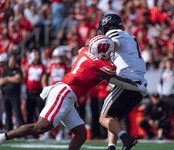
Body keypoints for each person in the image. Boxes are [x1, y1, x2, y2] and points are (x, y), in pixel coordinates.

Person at [0, 35, 143, 149]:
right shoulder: (100, 65)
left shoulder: (85, 51)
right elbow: (116, 79)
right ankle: (2, 137)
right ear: (102, 52)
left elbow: (88, 48)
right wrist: (137, 85)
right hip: (64, 94)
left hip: (67, 93)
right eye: (109, 51)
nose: (111, 54)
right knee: (41, 127)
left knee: (81, 134)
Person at [98, 14, 147, 150]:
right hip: (139, 85)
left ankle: (126, 139)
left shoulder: (115, 33)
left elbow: (111, 44)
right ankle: (111, 147)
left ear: (108, 26)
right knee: (112, 118)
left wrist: (96, 50)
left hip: (127, 81)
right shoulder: (129, 36)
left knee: (103, 118)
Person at [157, 57, 174, 139]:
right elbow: (160, 84)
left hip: (173, 97)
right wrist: (160, 95)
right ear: (166, 64)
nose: (169, 65)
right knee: (164, 116)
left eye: (170, 63)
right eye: (168, 63)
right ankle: (165, 133)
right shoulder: (164, 73)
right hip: (165, 97)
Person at [0, 55, 24, 131]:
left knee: (17, 113)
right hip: (6, 95)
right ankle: (9, 131)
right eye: (11, 61)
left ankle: (22, 131)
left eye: (13, 61)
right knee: (8, 114)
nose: (12, 63)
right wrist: (12, 78)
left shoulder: (18, 70)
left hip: (15, 96)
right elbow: (1, 82)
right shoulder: (5, 71)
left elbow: (18, 79)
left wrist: (7, 79)